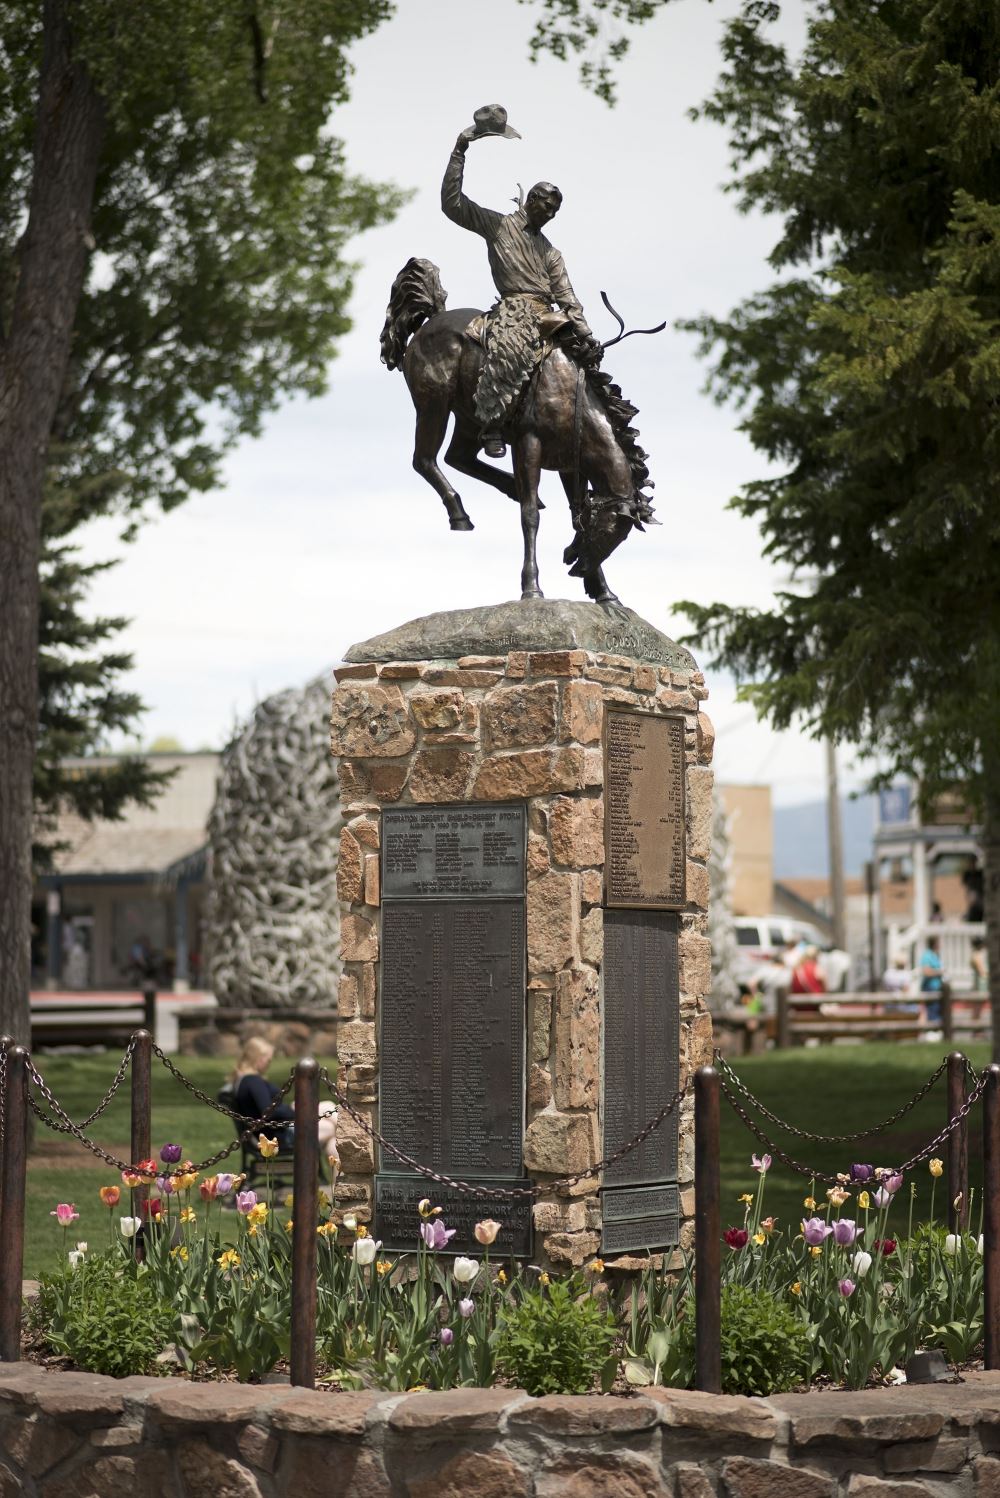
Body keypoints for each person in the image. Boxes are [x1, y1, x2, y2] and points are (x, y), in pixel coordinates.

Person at [441, 104, 603, 458]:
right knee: (510, 347)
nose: (551, 214)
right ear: (532, 200)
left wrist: (587, 334)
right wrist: (459, 152)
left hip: (549, 316)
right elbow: (453, 205)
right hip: (514, 311)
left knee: (580, 369)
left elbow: (568, 297)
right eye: (547, 207)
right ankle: (492, 421)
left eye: (555, 211)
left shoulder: (552, 252)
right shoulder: (498, 225)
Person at [232, 1037, 295, 1151]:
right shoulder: (252, 1081)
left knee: (329, 1127)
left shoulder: (244, 1080)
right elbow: (268, 1113)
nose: (269, 1064)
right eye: (268, 1060)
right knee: (328, 1122)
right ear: (258, 1058)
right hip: (275, 1137)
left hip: (273, 1132)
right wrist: (293, 1109)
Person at [918, 935, 944, 1026]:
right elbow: (926, 971)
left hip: (937, 987)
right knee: (931, 1011)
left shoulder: (935, 955)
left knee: (937, 1011)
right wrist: (939, 972)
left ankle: (935, 1029)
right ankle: (931, 1029)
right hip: (930, 988)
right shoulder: (927, 955)